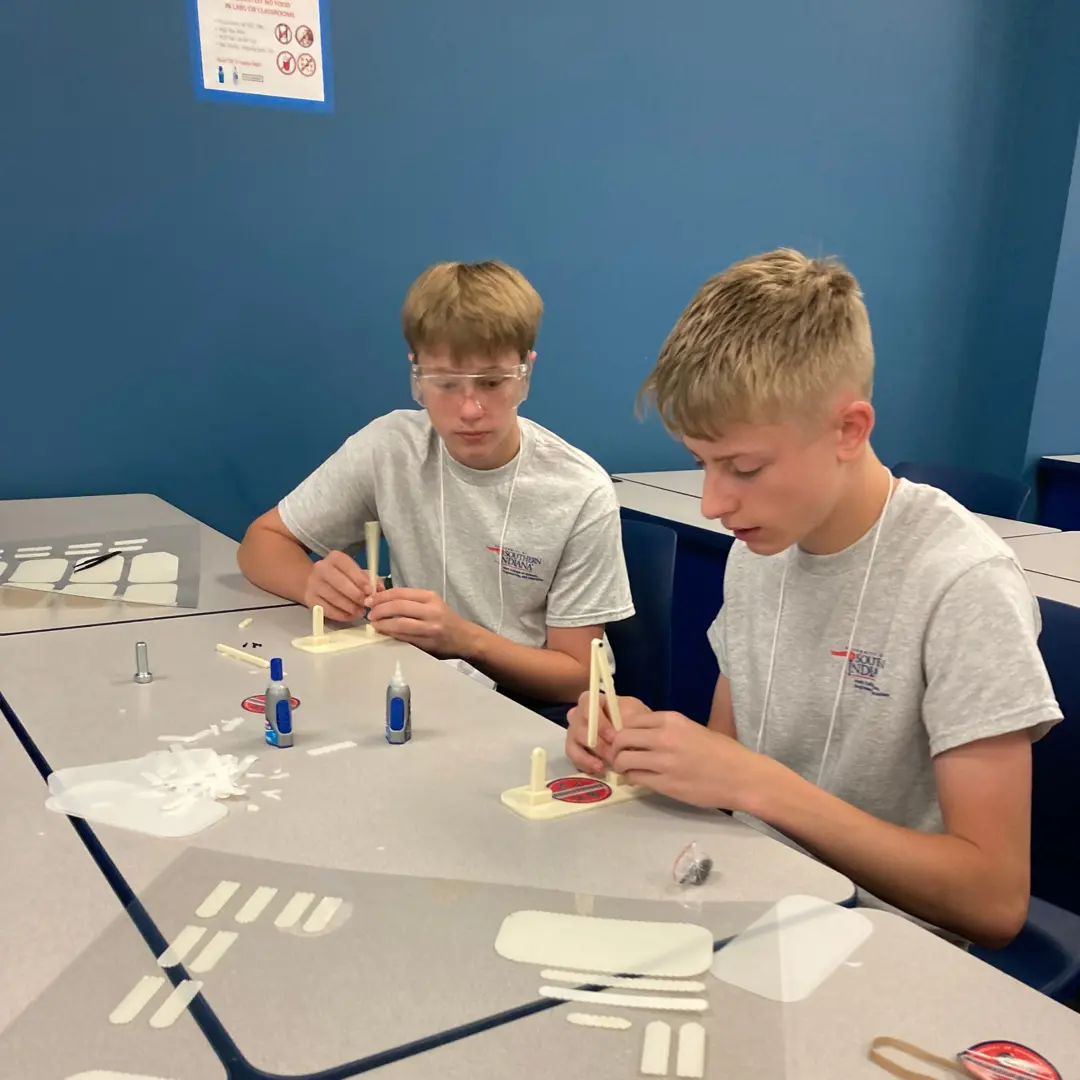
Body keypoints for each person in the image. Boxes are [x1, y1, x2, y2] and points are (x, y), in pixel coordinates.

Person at [565, 248, 1061, 946]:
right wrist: (650, 748)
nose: (712, 503)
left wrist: (757, 785)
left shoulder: (962, 584)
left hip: (887, 946)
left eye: (743, 467)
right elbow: (728, 758)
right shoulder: (758, 550)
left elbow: (992, 900)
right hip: (751, 901)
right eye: (703, 464)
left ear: (849, 430)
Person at [239, 260, 633, 723]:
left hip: (522, 709)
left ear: (525, 372)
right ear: (417, 376)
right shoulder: (390, 448)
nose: (470, 410)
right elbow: (260, 543)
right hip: (414, 682)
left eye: (492, 382)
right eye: (445, 383)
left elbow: (578, 677)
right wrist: (311, 584)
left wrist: (464, 639)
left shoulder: (578, 491)